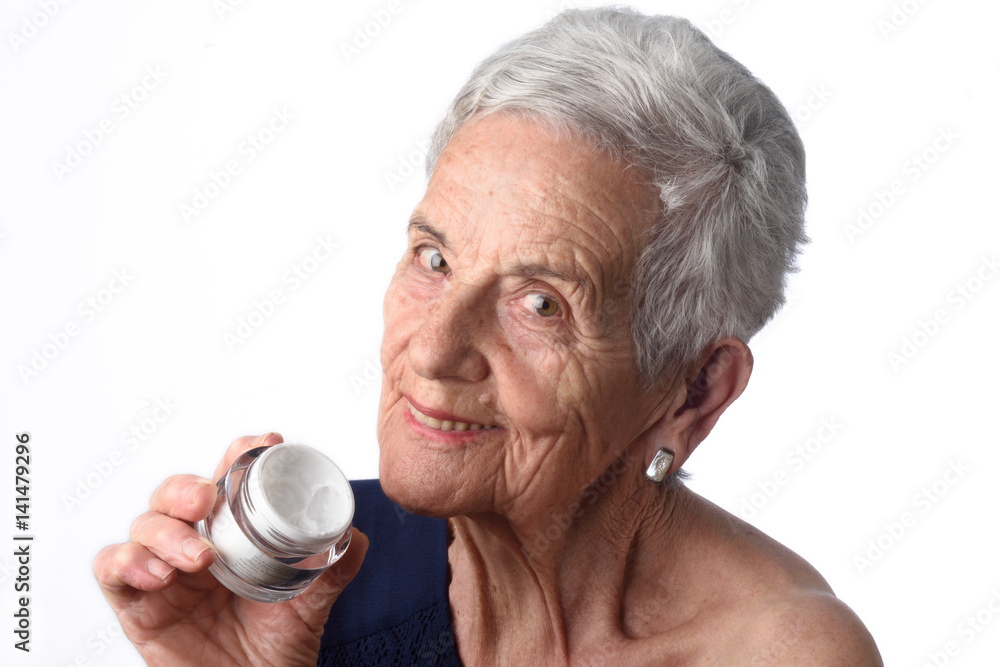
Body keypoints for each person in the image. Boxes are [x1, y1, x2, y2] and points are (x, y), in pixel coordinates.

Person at [95, 7, 883, 665]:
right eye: (434, 259)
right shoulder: (302, 581)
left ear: (695, 390)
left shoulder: (778, 652)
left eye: (541, 304)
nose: (431, 351)